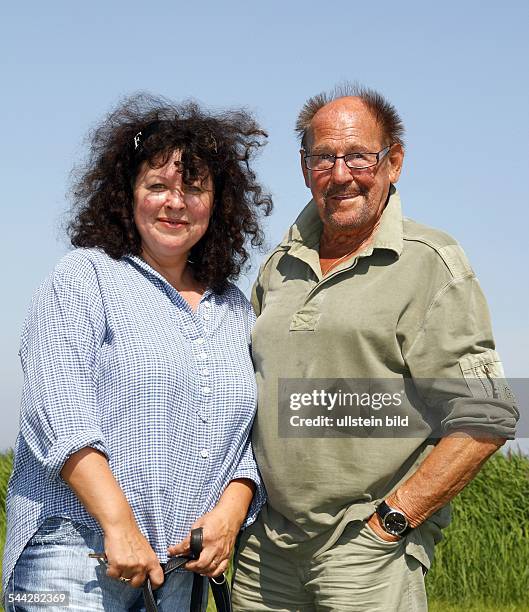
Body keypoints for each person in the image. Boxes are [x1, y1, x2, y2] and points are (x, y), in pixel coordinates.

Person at [231, 83, 518, 611]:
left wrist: (390, 523)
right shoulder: (278, 267)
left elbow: (488, 413)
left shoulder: (430, 261)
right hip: (265, 552)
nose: (340, 175)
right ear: (304, 167)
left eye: (359, 156)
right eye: (324, 158)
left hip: (365, 552)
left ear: (395, 162)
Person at [2, 94, 272, 612]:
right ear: (126, 195)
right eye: (157, 186)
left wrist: (229, 516)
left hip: (179, 567)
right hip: (77, 552)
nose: (175, 202)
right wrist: (119, 526)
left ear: (218, 204)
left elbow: (247, 436)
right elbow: (56, 410)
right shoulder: (84, 277)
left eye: (194, 189)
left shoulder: (234, 306)